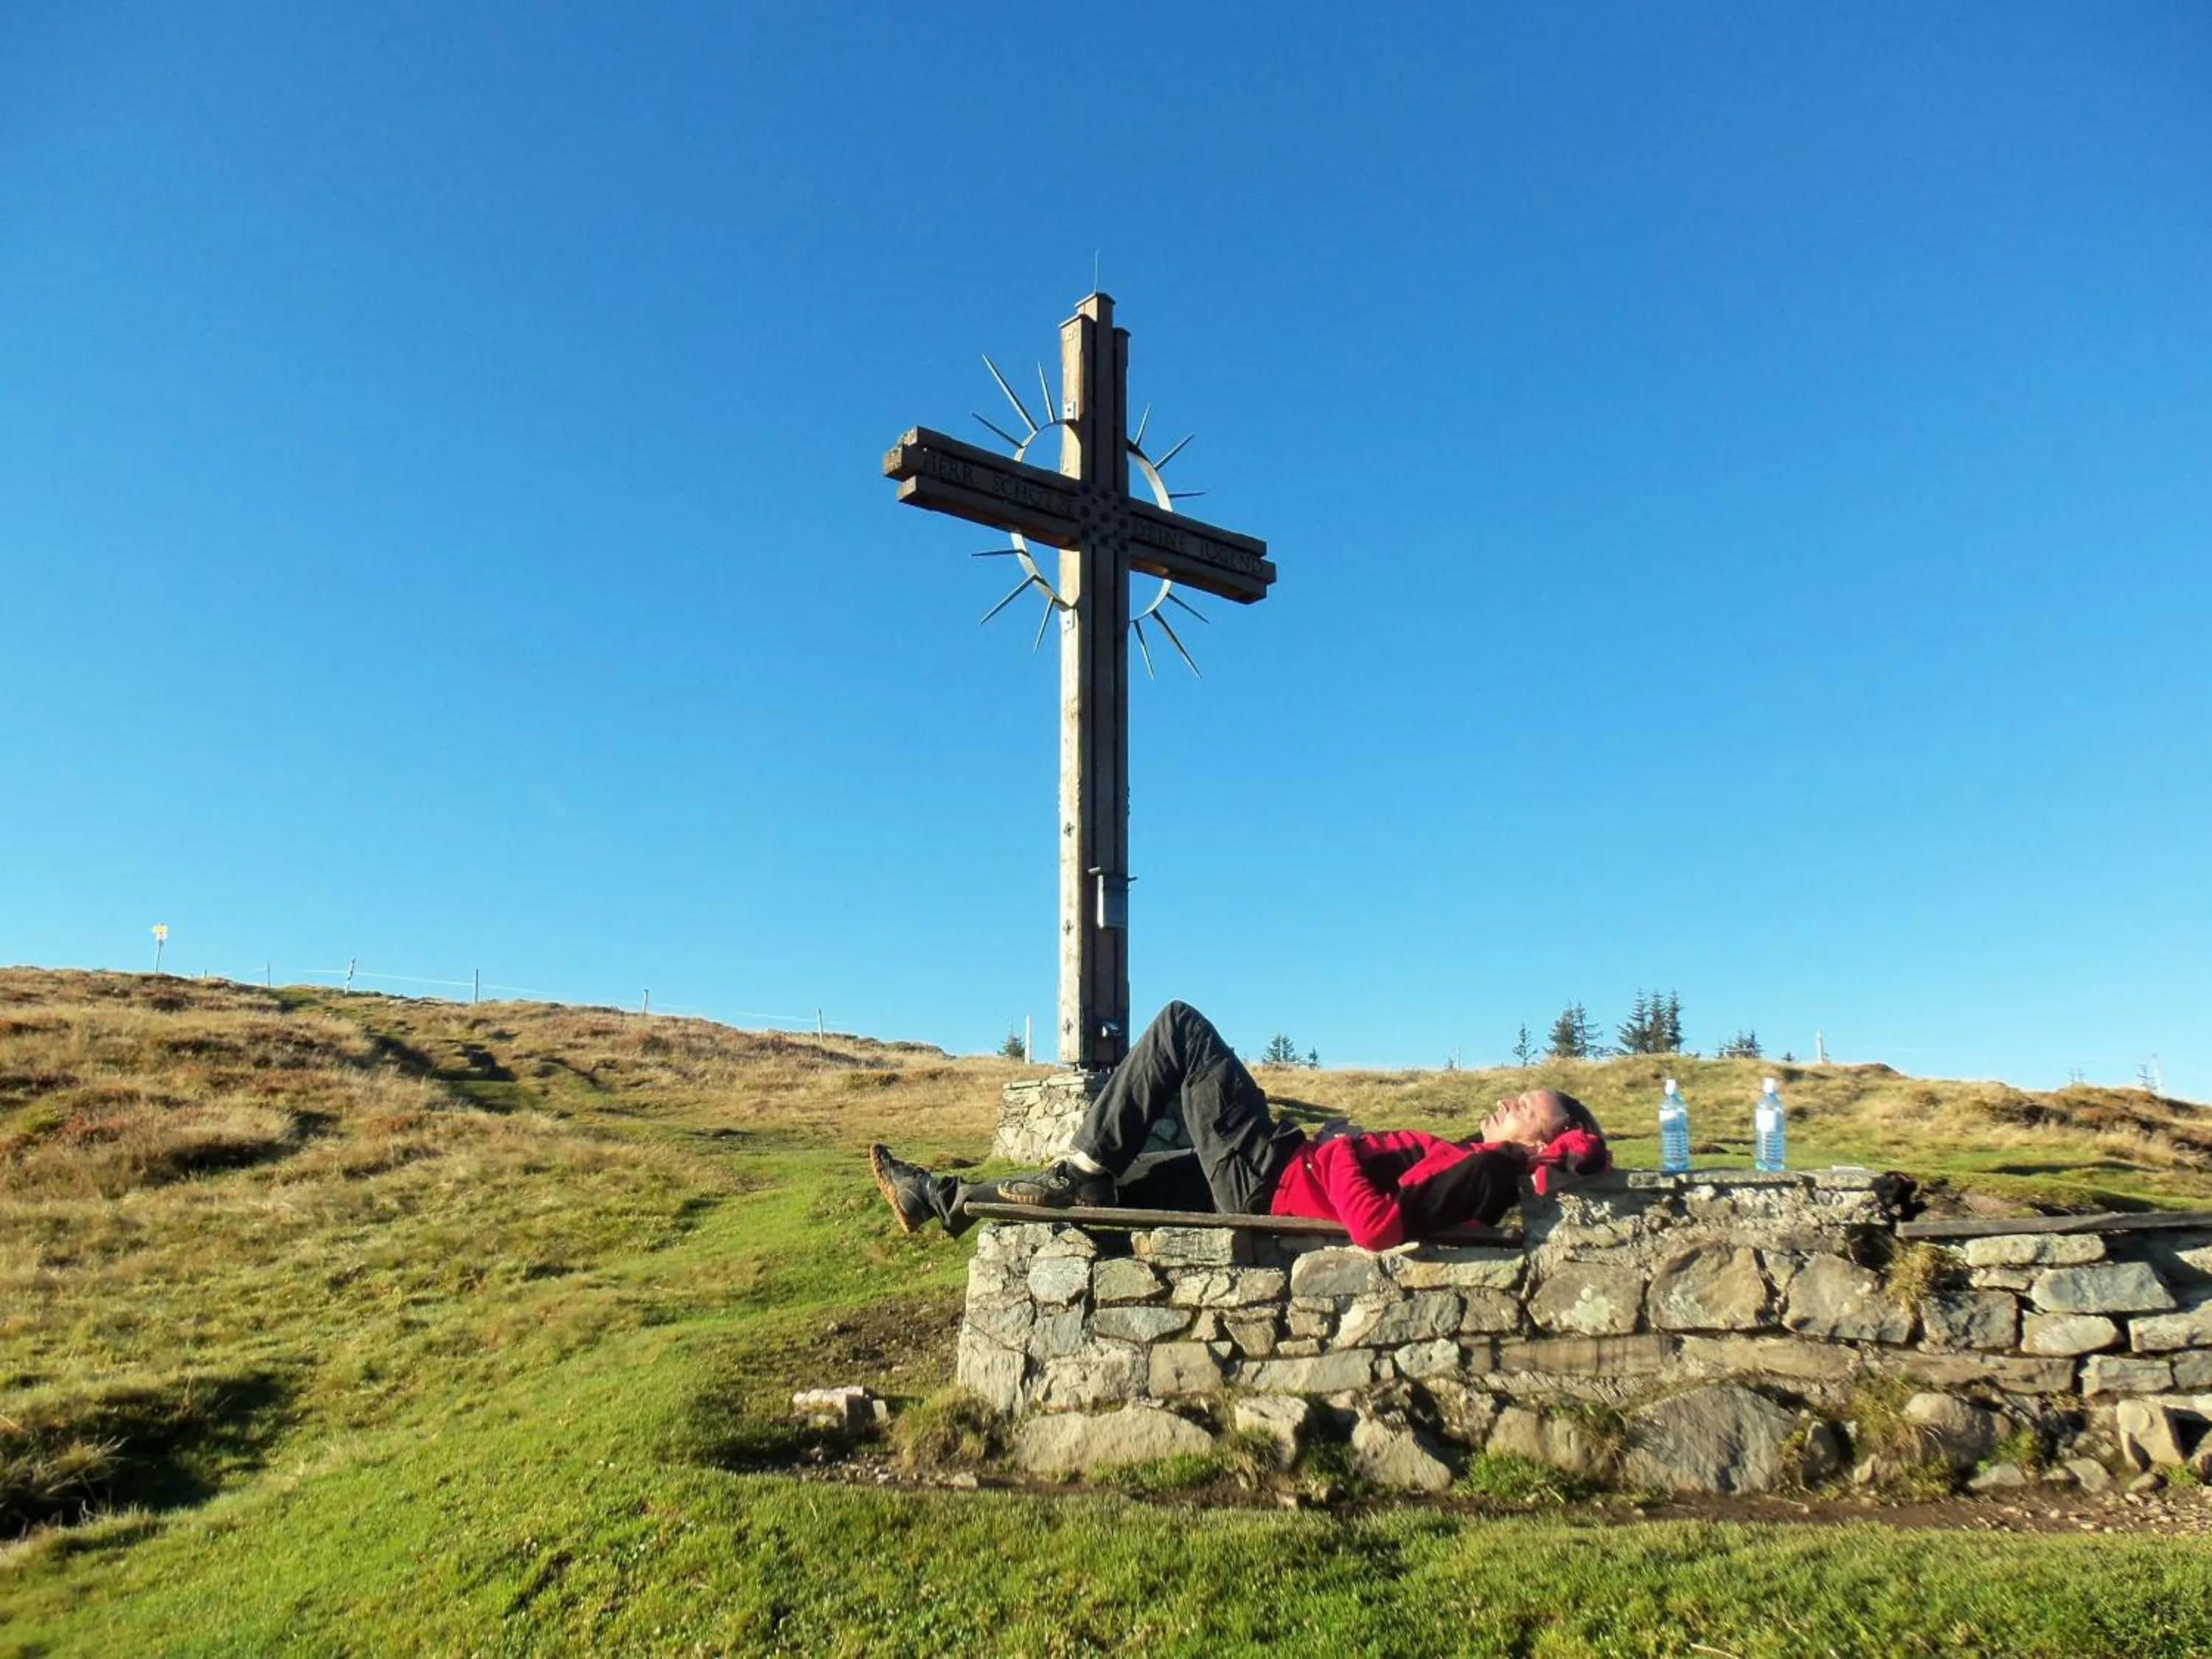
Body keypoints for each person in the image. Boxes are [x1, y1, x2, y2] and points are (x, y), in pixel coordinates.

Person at [869, 1000, 1609, 1251]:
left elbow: (1377, 1227)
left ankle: (1072, 1174)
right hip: (1271, 1179)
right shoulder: (1475, 1161)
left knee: (1179, 1030)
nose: (1508, 1101)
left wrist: (1340, 1144)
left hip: (1271, 1181)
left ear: (1544, 1137)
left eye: (1525, 1105)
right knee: (1118, 1194)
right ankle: (938, 1198)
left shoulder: (1484, 1170)